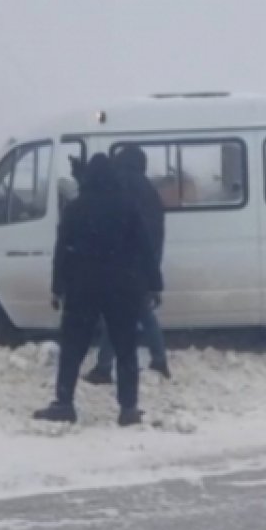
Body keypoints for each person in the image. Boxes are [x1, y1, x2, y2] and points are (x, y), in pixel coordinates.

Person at [34, 153, 163, 427]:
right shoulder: (128, 207)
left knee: (72, 349)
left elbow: (62, 252)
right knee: (126, 349)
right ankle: (128, 408)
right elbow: (145, 249)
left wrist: (58, 288)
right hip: (123, 288)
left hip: (83, 288)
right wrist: (154, 285)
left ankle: (65, 403)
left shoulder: (75, 208)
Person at [83, 144, 170, 384]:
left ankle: (103, 368)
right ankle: (159, 359)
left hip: (122, 263)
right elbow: (156, 233)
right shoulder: (150, 191)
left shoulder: (120, 185)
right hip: (144, 263)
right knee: (141, 312)